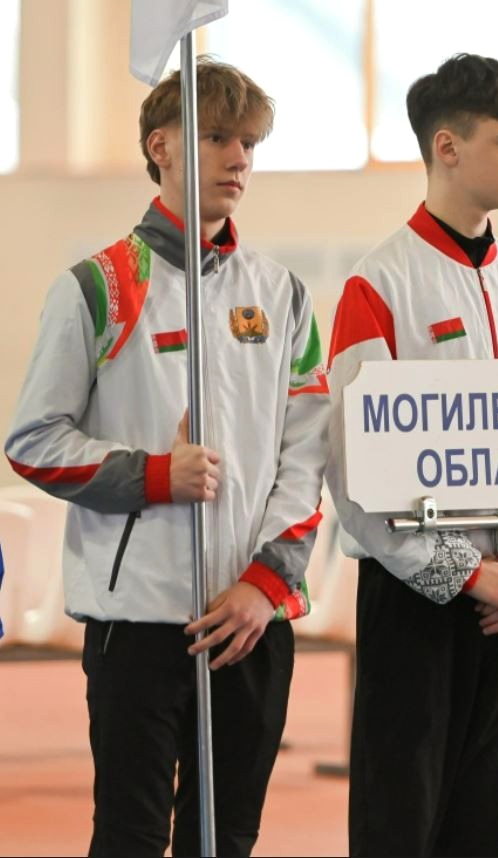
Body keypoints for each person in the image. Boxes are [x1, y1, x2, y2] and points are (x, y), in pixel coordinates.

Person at [4, 59, 330, 856]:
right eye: (217, 137)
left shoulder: (282, 294)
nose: (239, 158)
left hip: (253, 618)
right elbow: (34, 441)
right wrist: (155, 475)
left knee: (227, 840)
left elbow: (308, 450)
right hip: (139, 622)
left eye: (248, 142)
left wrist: (267, 582)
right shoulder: (98, 287)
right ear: (161, 146)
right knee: (131, 837)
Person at [324, 53, 498, 856]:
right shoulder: (380, 285)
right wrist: (468, 573)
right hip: (420, 603)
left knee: (490, 825)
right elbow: (357, 474)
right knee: (401, 825)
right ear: (447, 147)